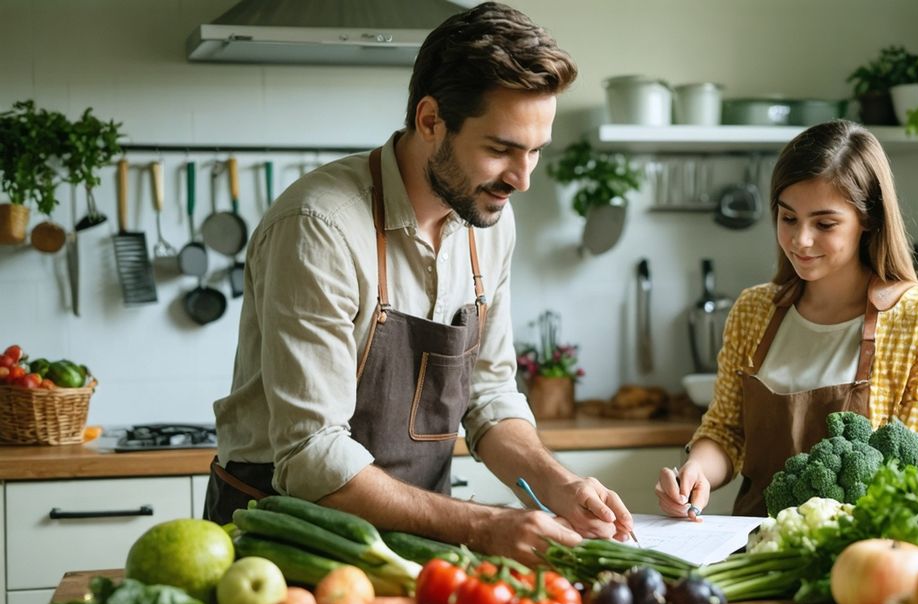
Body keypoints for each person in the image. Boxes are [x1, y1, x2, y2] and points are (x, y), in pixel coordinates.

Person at [205, 2, 633, 565]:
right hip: (283, 539)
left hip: (420, 544)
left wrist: (558, 484)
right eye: (501, 149)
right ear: (431, 121)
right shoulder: (319, 227)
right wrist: (486, 525)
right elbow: (312, 455)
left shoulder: (490, 221)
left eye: (535, 152)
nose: (522, 179)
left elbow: (490, 397)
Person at [656, 120, 918, 518]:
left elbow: (917, 473)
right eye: (788, 219)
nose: (801, 240)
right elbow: (725, 431)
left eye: (824, 224)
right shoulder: (754, 311)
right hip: (750, 549)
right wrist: (695, 470)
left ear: (868, 219)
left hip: (861, 553)